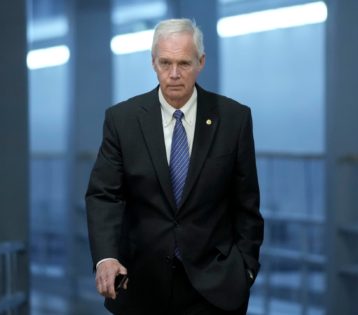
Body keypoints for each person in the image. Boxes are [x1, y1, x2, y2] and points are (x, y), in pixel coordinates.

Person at [85, 18, 263, 315]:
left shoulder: (234, 119)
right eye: (165, 63)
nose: (174, 74)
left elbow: (247, 204)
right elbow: (104, 195)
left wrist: (245, 271)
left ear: (201, 62)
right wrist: (105, 257)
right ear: (153, 62)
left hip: (215, 288)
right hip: (141, 284)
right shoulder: (123, 120)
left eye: (184, 63)